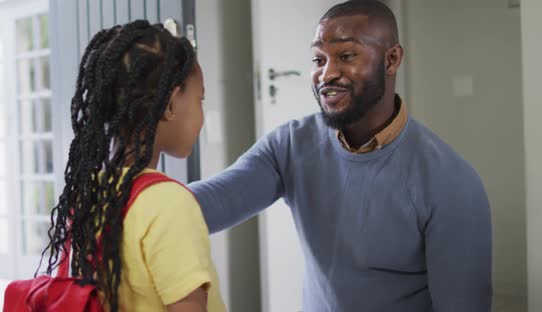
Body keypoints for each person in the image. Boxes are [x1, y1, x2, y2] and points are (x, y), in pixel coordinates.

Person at [188, 1, 492, 311]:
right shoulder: (291, 144)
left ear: (391, 59)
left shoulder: (452, 184)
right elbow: (209, 204)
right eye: (318, 59)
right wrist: (140, 188)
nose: (326, 74)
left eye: (346, 56)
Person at [41, 20, 226, 312]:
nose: (202, 113)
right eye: (199, 98)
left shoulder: (89, 194)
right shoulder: (169, 204)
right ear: (170, 104)